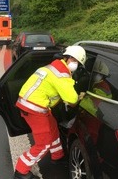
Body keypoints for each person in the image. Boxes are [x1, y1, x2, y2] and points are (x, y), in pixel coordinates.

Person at [14, 45, 87, 179]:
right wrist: (80, 96)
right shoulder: (62, 74)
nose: (76, 65)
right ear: (69, 58)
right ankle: (21, 171)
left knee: (53, 128)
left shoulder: (53, 67)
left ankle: (57, 156)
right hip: (34, 108)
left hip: (32, 103)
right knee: (44, 143)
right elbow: (71, 100)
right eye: (76, 62)